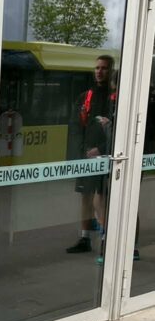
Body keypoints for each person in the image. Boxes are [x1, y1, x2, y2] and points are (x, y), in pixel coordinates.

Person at [66, 54, 115, 255]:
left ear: (110, 71)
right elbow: (75, 125)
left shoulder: (115, 97)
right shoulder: (86, 96)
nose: (99, 71)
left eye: (104, 68)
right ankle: (85, 238)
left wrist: (101, 150)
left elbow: (118, 130)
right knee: (85, 197)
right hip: (85, 155)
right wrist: (80, 151)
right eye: (97, 68)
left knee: (100, 198)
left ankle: (106, 239)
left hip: (104, 156)